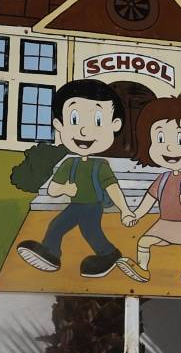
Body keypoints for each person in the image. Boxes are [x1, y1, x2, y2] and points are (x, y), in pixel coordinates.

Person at [15, 79, 147, 282]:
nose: (84, 131)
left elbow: (112, 187)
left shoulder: (100, 165)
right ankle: (51, 253)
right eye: (75, 119)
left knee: (90, 231)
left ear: (115, 125)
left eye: (97, 120)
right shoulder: (70, 164)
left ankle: (108, 254)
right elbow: (52, 189)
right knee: (57, 226)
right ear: (59, 124)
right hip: (76, 205)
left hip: (92, 206)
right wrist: (65, 189)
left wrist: (126, 210)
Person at [122, 97, 181, 287]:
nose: (169, 147)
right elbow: (149, 199)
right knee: (144, 242)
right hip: (164, 223)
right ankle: (143, 269)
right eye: (160, 138)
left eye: (180, 139)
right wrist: (136, 215)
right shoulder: (163, 178)